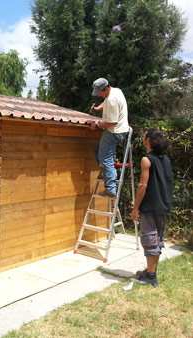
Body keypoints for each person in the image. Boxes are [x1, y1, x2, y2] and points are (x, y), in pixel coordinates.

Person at [130, 128, 173, 287]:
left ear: (147, 140)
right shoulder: (166, 159)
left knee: (149, 240)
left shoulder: (146, 160)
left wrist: (135, 208)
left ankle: (151, 278)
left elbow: (142, 186)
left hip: (150, 206)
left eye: (143, 136)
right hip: (163, 205)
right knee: (157, 240)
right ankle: (150, 272)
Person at [88, 78, 129, 198]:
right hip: (118, 130)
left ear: (106, 89)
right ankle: (106, 174)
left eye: (100, 92)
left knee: (106, 160)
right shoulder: (116, 91)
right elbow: (105, 101)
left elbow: (112, 122)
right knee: (97, 150)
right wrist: (97, 109)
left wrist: (96, 125)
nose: (99, 95)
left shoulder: (112, 99)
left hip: (113, 132)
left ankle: (110, 189)